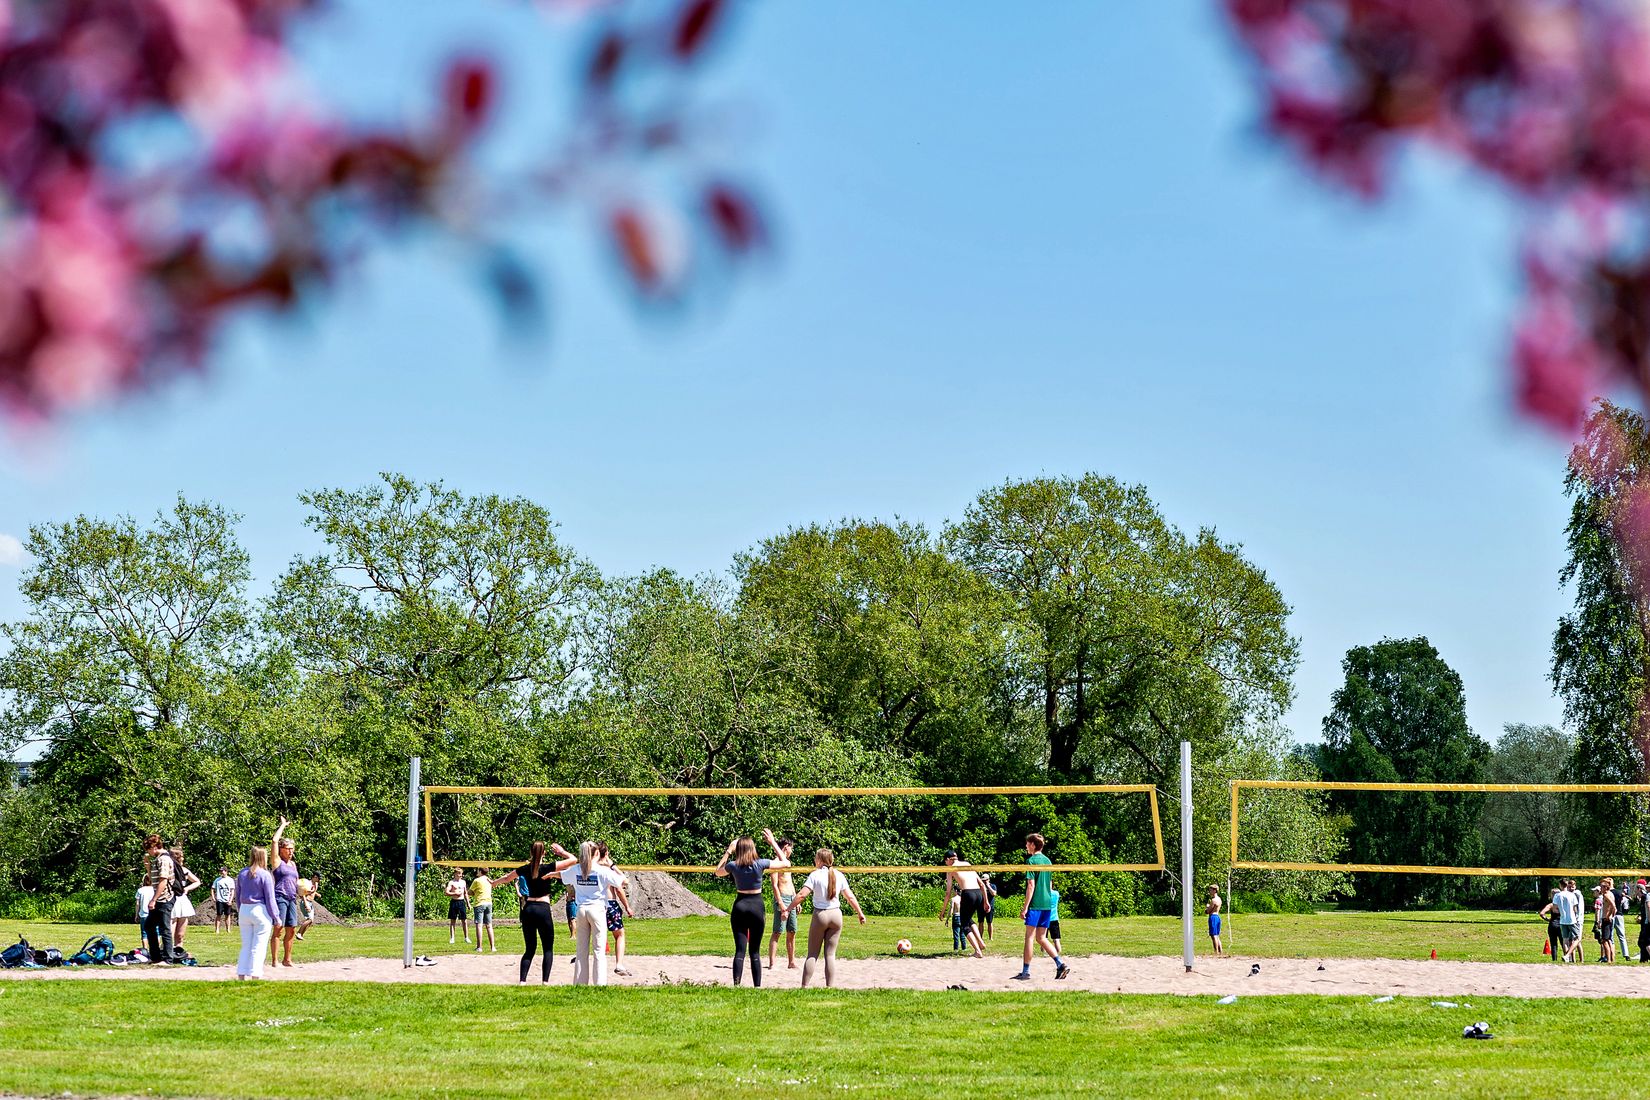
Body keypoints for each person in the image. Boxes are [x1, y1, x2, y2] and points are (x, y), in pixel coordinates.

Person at [490, 841, 576, 984]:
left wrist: (493, 883)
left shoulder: (525, 868)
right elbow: (573, 860)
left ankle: (522, 981)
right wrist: (561, 852)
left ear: (530, 852)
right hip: (543, 909)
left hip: (528, 909)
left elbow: (506, 878)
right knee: (547, 948)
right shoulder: (548, 868)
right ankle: (545, 982)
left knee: (530, 949)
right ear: (544, 853)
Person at [783, 849, 866, 988]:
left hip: (821, 915)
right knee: (830, 955)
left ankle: (804, 986)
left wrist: (788, 909)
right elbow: (850, 897)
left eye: (816, 858)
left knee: (812, 954)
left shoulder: (815, 875)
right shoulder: (839, 875)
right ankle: (829, 987)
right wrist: (860, 913)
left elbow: (802, 894)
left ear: (820, 860)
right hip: (836, 915)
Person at [563, 841, 630, 986]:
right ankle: (600, 984)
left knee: (581, 950)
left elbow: (561, 875)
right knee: (599, 950)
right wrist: (612, 865)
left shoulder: (576, 869)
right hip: (597, 910)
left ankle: (580, 984)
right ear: (597, 853)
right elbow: (624, 881)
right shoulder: (602, 870)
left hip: (581, 910)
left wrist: (548, 873)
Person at [714, 833, 773, 987]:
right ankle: (757, 986)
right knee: (755, 951)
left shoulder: (734, 865)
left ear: (738, 849)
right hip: (756, 906)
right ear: (752, 848)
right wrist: (772, 843)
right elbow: (786, 863)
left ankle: (737, 985)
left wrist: (728, 851)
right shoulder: (760, 863)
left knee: (740, 950)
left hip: (740, 905)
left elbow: (717, 872)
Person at [1012, 832, 1069, 981]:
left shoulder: (1031, 861)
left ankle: (1025, 972)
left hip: (1036, 904)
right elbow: (1049, 884)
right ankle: (1060, 964)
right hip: (1047, 904)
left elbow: (1031, 885)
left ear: (1032, 845)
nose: (1025, 846)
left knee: (1030, 938)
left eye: (1027, 844)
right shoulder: (1048, 861)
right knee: (1041, 938)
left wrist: (1025, 908)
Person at [233, 844, 277, 980]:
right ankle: (255, 974)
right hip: (260, 909)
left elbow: (238, 896)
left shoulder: (242, 873)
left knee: (246, 944)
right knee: (259, 945)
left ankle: (241, 973)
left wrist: (241, 911)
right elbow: (270, 899)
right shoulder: (265, 875)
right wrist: (276, 917)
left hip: (245, 910)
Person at [596, 842, 635, 977]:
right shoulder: (608, 870)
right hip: (610, 904)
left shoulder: (590, 868)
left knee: (597, 935)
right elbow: (621, 885)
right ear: (606, 854)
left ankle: (588, 960)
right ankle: (619, 964)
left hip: (595, 904)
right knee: (619, 935)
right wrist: (627, 907)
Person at [941, 850, 987, 958]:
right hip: (978, 893)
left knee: (964, 925)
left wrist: (942, 911)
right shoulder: (967, 864)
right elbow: (981, 884)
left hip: (968, 893)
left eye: (945, 862)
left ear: (948, 860)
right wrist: (986, 901)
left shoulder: (950, 869)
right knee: (968, 919)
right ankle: (980, 942)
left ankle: (977, 951)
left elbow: (948, 893)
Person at [269, 817, 301, 968]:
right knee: (278, 928)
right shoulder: (277, 862)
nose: (291, 851)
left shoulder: (293, 864)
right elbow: (274, 840)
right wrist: (283, 826)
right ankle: (275, 960)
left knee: (292, 929)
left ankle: (287, 959)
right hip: (280, 897)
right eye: (288, 848)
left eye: (292, 848)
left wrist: (306, 891)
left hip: (292, 899)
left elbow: (297, 882)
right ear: (281, 849)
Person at [139, 833, 176, 966]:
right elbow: (152, 879)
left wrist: (154, 899)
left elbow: (163, 881)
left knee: (164, 928)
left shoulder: (164, 860)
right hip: (159, 898)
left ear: (154, 847)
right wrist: (148, 866)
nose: (148, 852)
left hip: (165, 898)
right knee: (149, 925)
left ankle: (167, 959)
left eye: (148, 849)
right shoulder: (157, 859)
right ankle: (155, 957)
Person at [766, 836, 799, 971]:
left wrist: (797, 900)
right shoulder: (775, 863)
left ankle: (791, 962)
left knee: (792, 931)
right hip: (782, 898)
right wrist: (781, 904)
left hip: (791, 898)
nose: (791, 850)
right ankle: (772, 963)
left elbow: (790, 883)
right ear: (786, 847)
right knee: (777, 931)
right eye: (791, 847)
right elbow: (774, 886)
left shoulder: (787, 863)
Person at [168, 846, 201, 954]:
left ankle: (179, 952)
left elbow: (197, 881)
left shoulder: (185, 870)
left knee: (180, 934)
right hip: (171, 898)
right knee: (170, 930)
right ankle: (168, 952)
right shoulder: (168, 869)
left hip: (182, 900)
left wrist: (187, 888)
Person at [1554, 878, 1581, 963]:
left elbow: (1555, 909)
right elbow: (1575, 909)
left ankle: (1567, 958)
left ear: (1560, 885)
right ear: (1567, 885)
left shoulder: (1557, 895)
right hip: (1572, 920)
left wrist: (1561, 911)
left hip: (1562, 920)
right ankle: (1567, 955)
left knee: (1565, 940)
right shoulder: (1572, 895)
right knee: (1577, 939)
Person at [469, 870, 495, 953]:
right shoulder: (488, 880)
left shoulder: (477, 880)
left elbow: (470, 892)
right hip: (489, 903)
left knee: (479, 926)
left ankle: (479, 947)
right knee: (489, 925)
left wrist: (473, 893)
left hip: (479, 903)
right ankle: (493, 947)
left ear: (480, 871)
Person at [445, 869, 470, 945]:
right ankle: (452, 938)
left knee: (464, 920)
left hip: (461, 902)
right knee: (453, 921)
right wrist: (454, 893)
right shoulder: (451, 882)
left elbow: (465, 893)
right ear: (455, 874)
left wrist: (468, 903)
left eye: (461, 874)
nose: (460, 875)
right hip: (454, 902)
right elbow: (446, 892)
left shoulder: (463, 882)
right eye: (459, 873)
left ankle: (466, 937)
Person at [1539, 888, 1563, 963]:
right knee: (1563, 943)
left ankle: (1554, 959)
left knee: (1553, 944)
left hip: (1552, 925)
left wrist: (1548, 919)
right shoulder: (1562, 905)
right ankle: (1567, 957)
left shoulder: (1551, 905)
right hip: (1561, 925)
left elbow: (1542, 913)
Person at [294, 876, 320, 940]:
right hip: (306, 902)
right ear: (314, 877)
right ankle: (299, 933)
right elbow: (303, 894)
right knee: (309, 919)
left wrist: (317, 894)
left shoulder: (316, 884)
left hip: (310, 903)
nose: (319, 880)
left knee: (311, 921)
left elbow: (311, 891)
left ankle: (300, 935)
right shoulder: (307, 884)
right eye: (318, 878)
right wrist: (306, 904)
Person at [211, 868, 236, 933]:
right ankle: (217, 930)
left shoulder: (230, 880)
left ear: (226, 871)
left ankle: (228, 929)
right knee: (218, 915)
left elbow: (232, 891)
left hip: (227, 900)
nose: (221, 872)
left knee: (227, 915)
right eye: (220, 871)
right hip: (219, 900)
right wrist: (213, 898)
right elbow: (212, 889)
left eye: (223, 871)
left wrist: (230, 900)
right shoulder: (217, 880)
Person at [1599, 880, 1618, 962]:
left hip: (1606, 919)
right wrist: (1612, 914)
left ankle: (1609, 959)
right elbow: (1614, 908)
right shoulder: (1611, 894)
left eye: (1602, 887)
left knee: (1604, 940)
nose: (1601, 889)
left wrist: (1608, 915)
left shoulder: (1606, 895)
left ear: (1606, 888)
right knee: (1609, 939)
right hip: (1609, 919)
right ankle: (1612, 959)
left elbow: (1613, 906)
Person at [1207, 884, 1224, 956]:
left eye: (1210, 890)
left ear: (1214, 890)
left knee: (1213, 935)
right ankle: (1221, 952)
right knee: (1217, 935)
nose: (1209, 892)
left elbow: (1208, 911)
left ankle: (1216, 952)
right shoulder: (1219, 899)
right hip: (1217, 917)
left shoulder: (1213, 900)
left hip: (1213, 917)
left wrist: (1207, 907)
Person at [1047, 888, 1064, 957]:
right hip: (1054, 919)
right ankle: (1058, 954)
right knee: (1056, 939)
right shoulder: (1056, 893)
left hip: (1044, 919)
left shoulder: (1043, 894)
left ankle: (1043, 954)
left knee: (1043, 939)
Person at [979, 873, 996, 941]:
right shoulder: (980, 886)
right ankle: (980, 937)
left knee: (989, 922)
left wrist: (988, 886)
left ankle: (990, 937)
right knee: (980, 922)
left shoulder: (993, 886)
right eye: (983, 880)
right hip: (981, 906)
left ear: (988, 879)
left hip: (990, 907)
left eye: (985, 880)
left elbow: (994, 893)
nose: (984, 881)